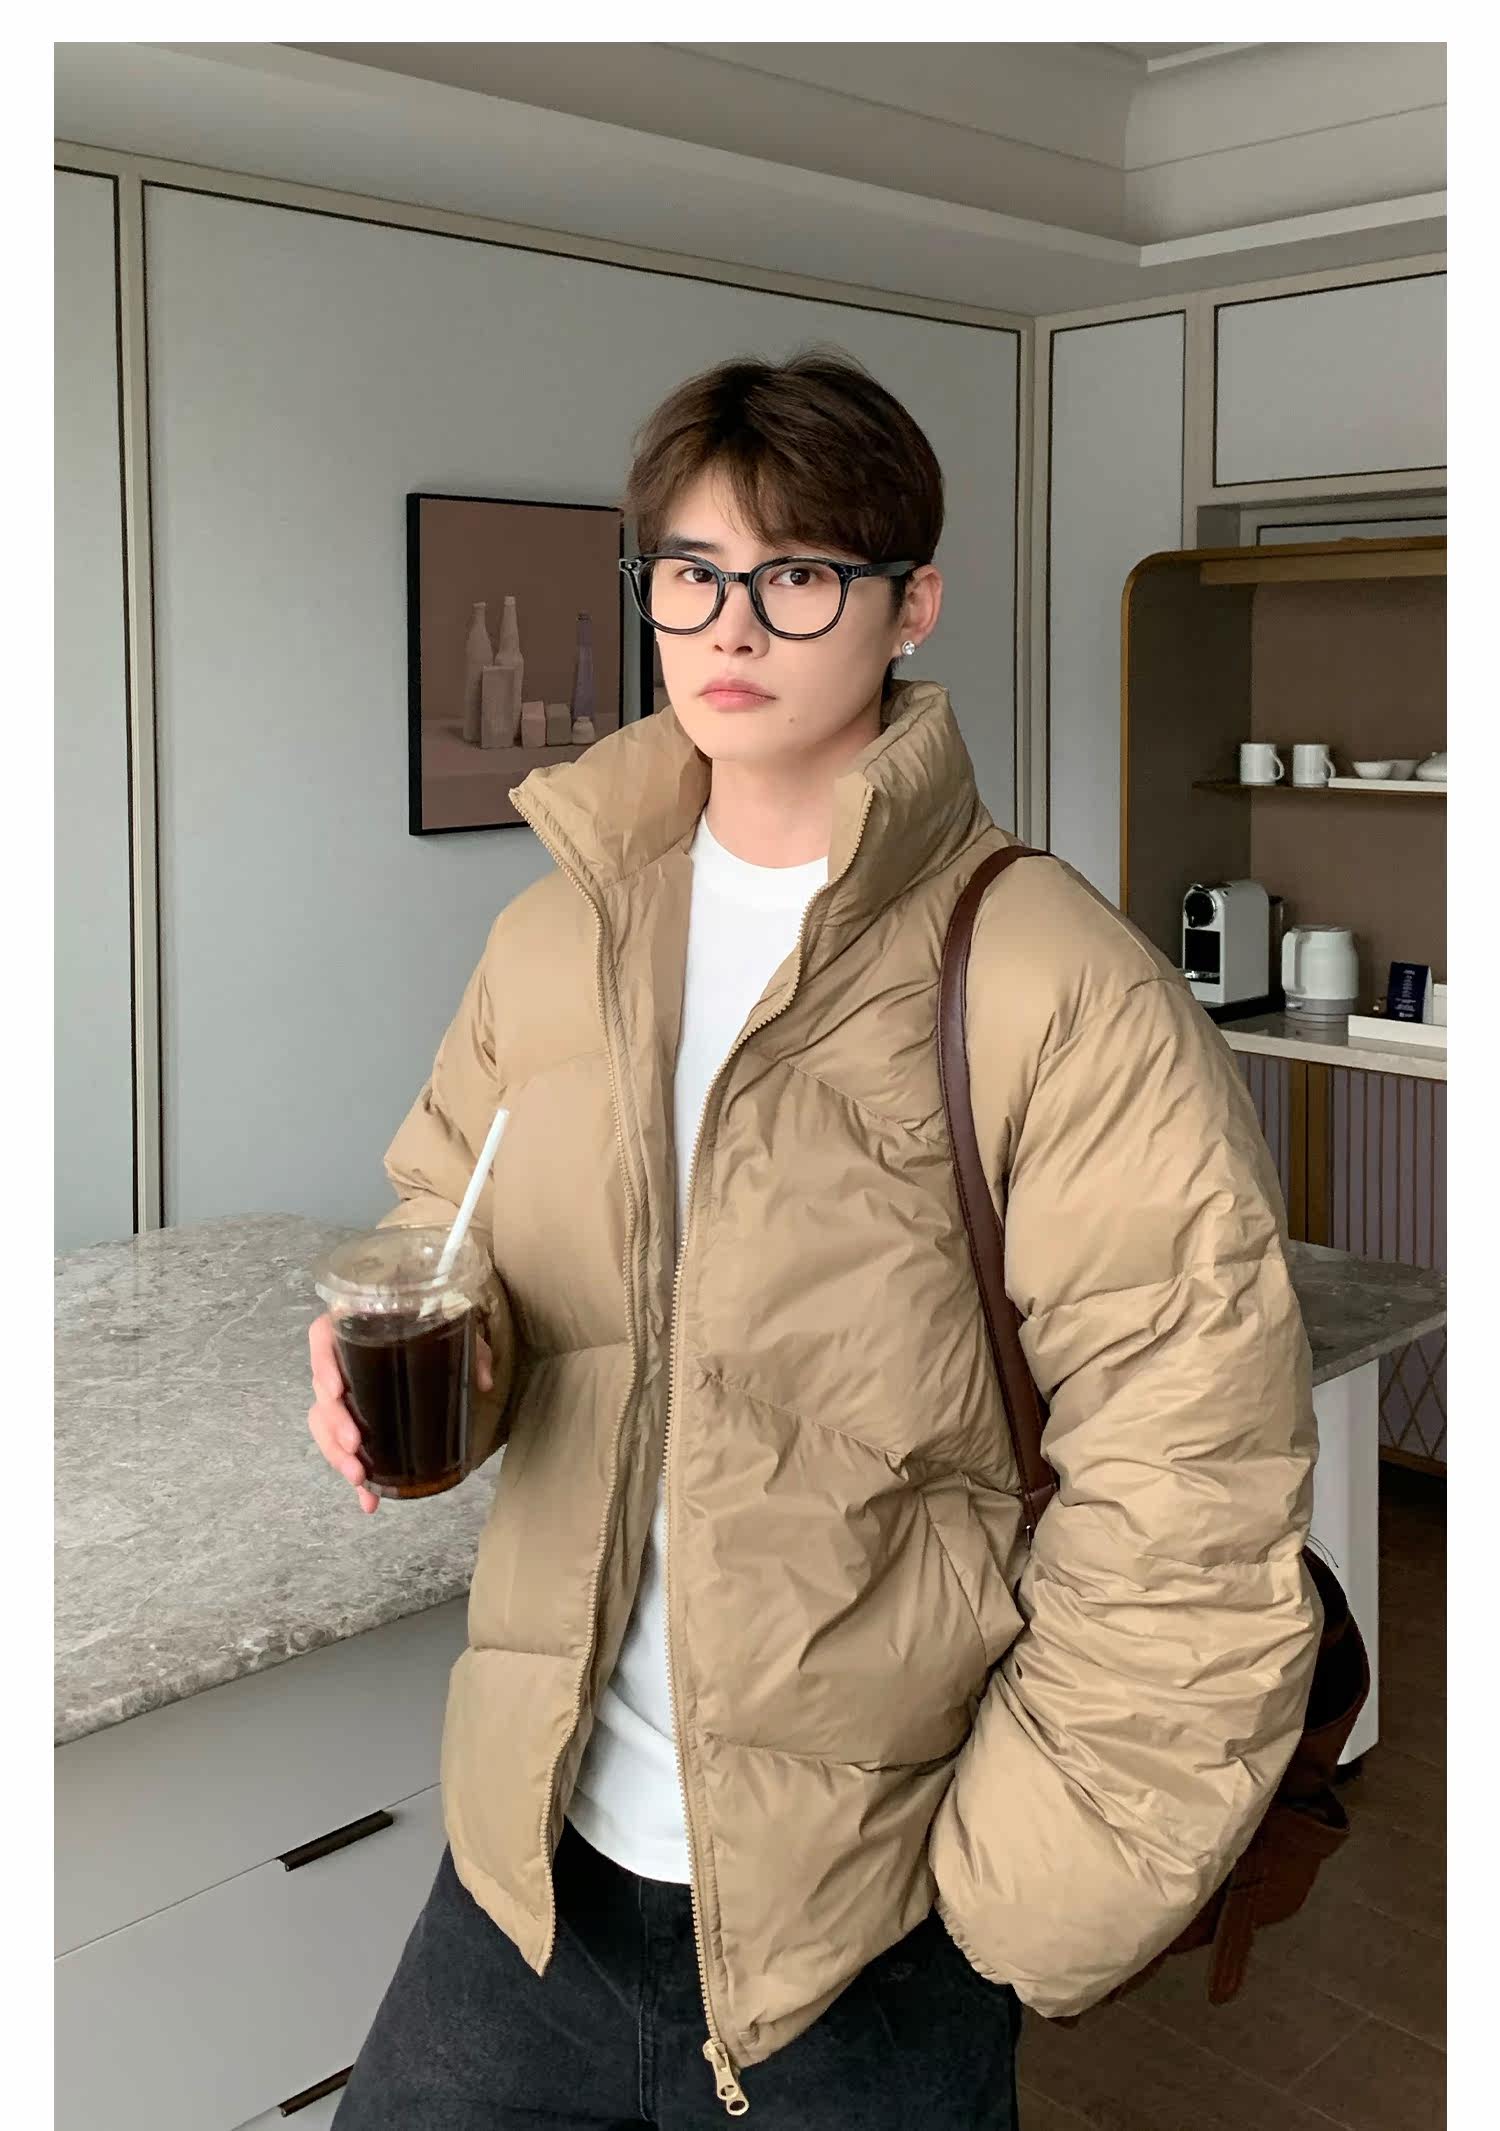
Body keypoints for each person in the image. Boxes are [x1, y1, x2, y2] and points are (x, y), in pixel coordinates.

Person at [308, 350, 1320, 2129]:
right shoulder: (555, 940)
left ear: (910, 604)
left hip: (869, 1920)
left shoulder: (1054, 983)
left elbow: (1192, 1488)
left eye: (797, 574)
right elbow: (451, 1221)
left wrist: (1011, 1899)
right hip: (534, 1868)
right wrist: (409, 1355)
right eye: (690, 573)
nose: (730, 624)